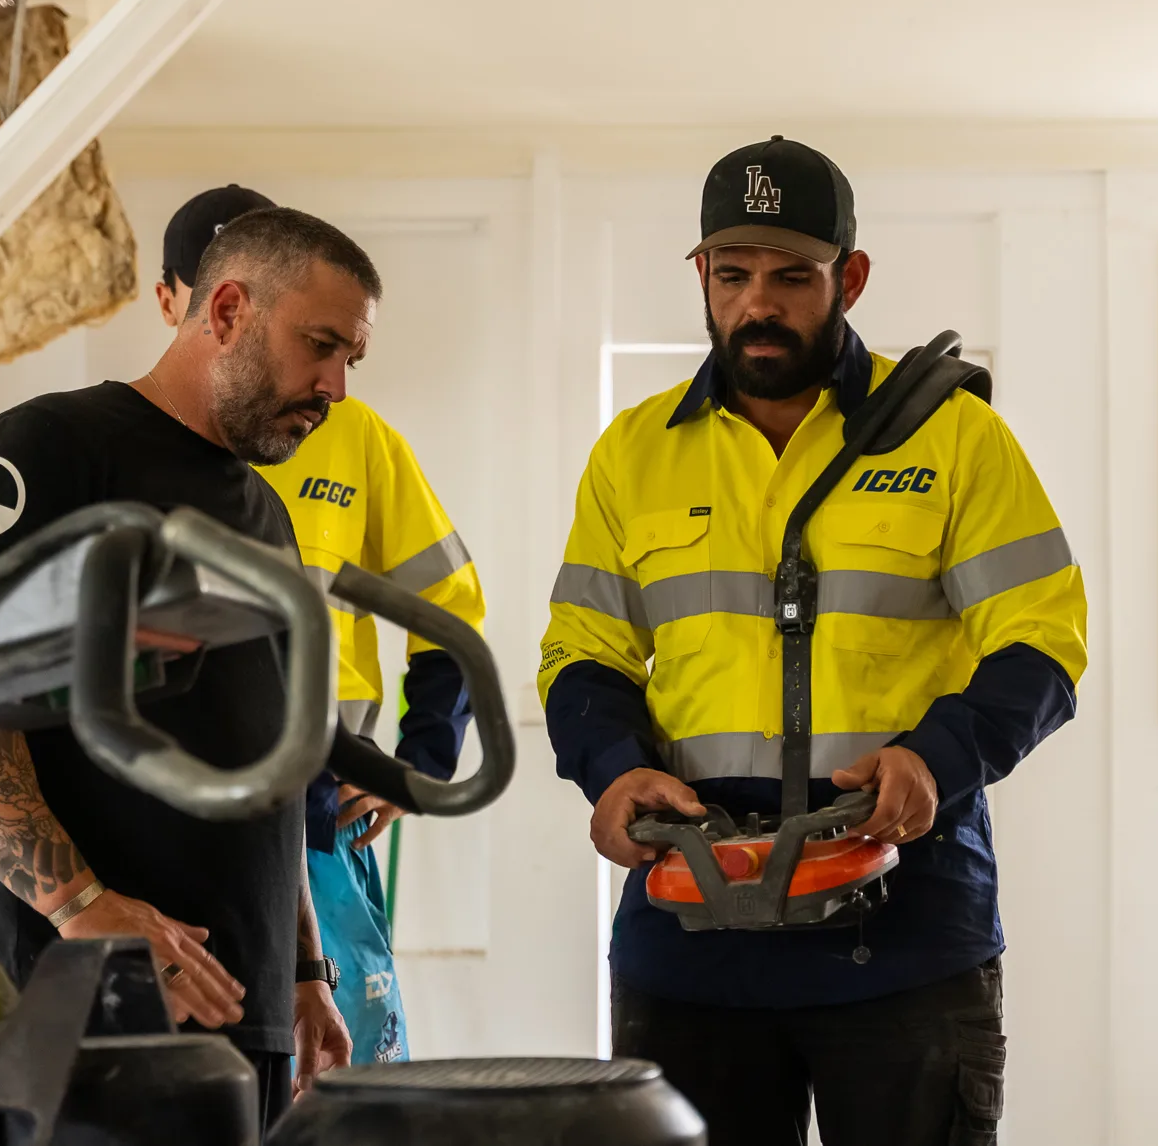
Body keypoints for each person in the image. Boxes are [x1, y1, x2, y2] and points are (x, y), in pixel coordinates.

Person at [538, 136, 1089, 1146]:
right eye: (735, 275)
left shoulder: (956, 438)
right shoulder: (631, 455)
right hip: (690, 923)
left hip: (904, 924)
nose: (761, 304)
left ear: (851, 277)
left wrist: (936, 756)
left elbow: (1043, 641)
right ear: (700, 275)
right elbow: (585, 653)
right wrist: (611, 770)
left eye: (794, 277)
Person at [0, 205, 377, 1135]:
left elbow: (270, 771)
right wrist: (84, 911)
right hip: (81, 1018)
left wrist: (304, 973)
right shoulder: (44, 453)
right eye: (321, 345)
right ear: (229, 309)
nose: (337, 386)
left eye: (351, 357)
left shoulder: (266, 518)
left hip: (244, 1020)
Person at [156, 185, 488, 1064]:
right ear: (179, 304)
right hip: (174, 817)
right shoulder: (120, 453)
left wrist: (418, 762)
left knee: (346, 1055)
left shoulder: (355, 435)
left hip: (325, 810)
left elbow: (448, 604)